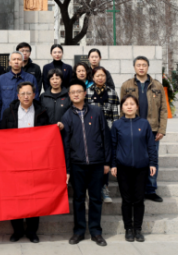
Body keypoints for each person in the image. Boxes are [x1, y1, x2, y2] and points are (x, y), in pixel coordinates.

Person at [0, 81, 63, 243]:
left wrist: (56, 127)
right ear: (18, 95)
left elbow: (49, 133)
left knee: (35, 197)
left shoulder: (42, 111)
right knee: (15, 197)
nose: (26, 96)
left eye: (29, 93)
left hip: (36, 161)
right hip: (14, 162)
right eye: (23, 93)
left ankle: (32, 231)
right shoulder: (9, 112)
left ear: (34, 95)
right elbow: (1, 135)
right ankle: (17, 230)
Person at [62, 79, 111, 247]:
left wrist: (107, 162)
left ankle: (96, 232)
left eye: (79, 91)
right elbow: (66, 145)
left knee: (96, 198)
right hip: (77, 165)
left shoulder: (96, 112)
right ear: (69, 95)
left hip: (97, 163)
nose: (76, 94)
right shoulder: (66, 116)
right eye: (73, 92)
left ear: (84, 93)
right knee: (78, 199)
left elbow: (106, 137)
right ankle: (79, 231)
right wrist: (68, 168)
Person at [119, 56, 167, 203]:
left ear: (148, 67)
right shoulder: (127, 85)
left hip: (152, 129)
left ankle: (150, 189)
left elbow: (163, 109)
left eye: (144, 65)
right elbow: (122, 108)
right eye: (138, 65)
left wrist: (162, 129)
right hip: (132, 128)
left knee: (152, 158)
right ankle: (136, 189)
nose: (141, 67)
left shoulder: (157, 85)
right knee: (135, 158)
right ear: (134, 67)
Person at [110, 95, 158, 243]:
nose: (129, 106)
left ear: (137, 107)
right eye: (126, 104)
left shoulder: (144, 123)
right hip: (123, 168)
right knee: (126, 200)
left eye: (132, 104)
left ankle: (138, 229)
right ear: (122, 107)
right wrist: (113, 164)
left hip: (141, 168)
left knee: (138, 200)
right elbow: (113, 146)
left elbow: (151, 145)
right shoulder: (117, 124)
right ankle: (128, 229)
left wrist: (152, 163)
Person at [87, 66, 120, 204]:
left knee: (106, 161)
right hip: (92, 132)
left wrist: (114, 132)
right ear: (93, 77)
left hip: (108, 131)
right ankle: (91, 188)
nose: (100, 78)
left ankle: (104, 188)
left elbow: (115, 115)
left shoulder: (112, 92)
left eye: (103, 75)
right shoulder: (87, 92)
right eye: (97, 75)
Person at [0, 51, 39, 127]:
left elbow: (36, 100)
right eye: (14, 59)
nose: (16, 61)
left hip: (27, 119)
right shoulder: (1, 79)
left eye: (19, 59)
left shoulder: (31, 78)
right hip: (7, 119)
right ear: (9, 63)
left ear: (23, 63)